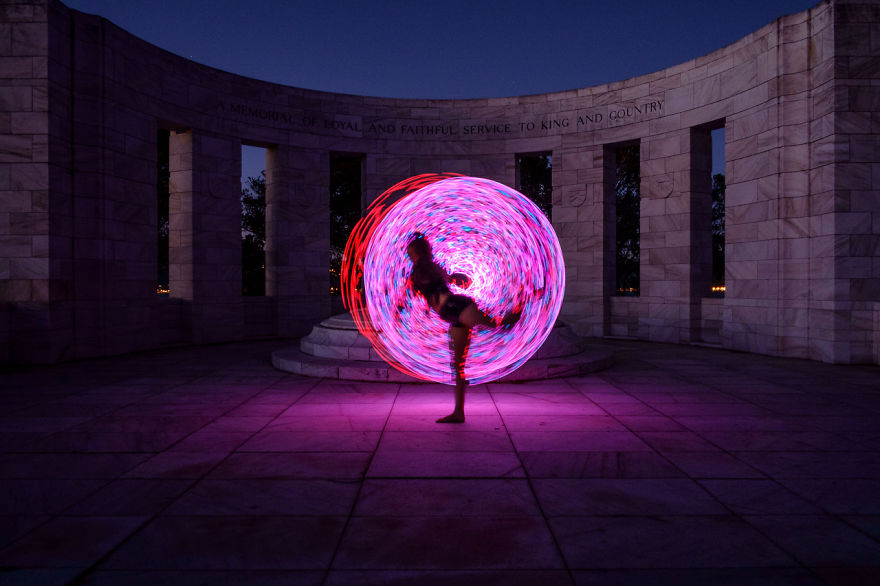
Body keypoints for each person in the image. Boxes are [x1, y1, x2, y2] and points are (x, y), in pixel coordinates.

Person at [406, 234, 519, 423]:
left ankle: (526, 303)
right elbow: (443, 281)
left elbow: (435, 281)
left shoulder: (423, 267)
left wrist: (447, 278)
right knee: (457, 367)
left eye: (411, 251)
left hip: (456, 306)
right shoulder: (423, 269)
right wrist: (452, 278)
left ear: (417, 251)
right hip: (451, 315)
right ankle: (458, 412)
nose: (409, 254)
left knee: (497, 324)